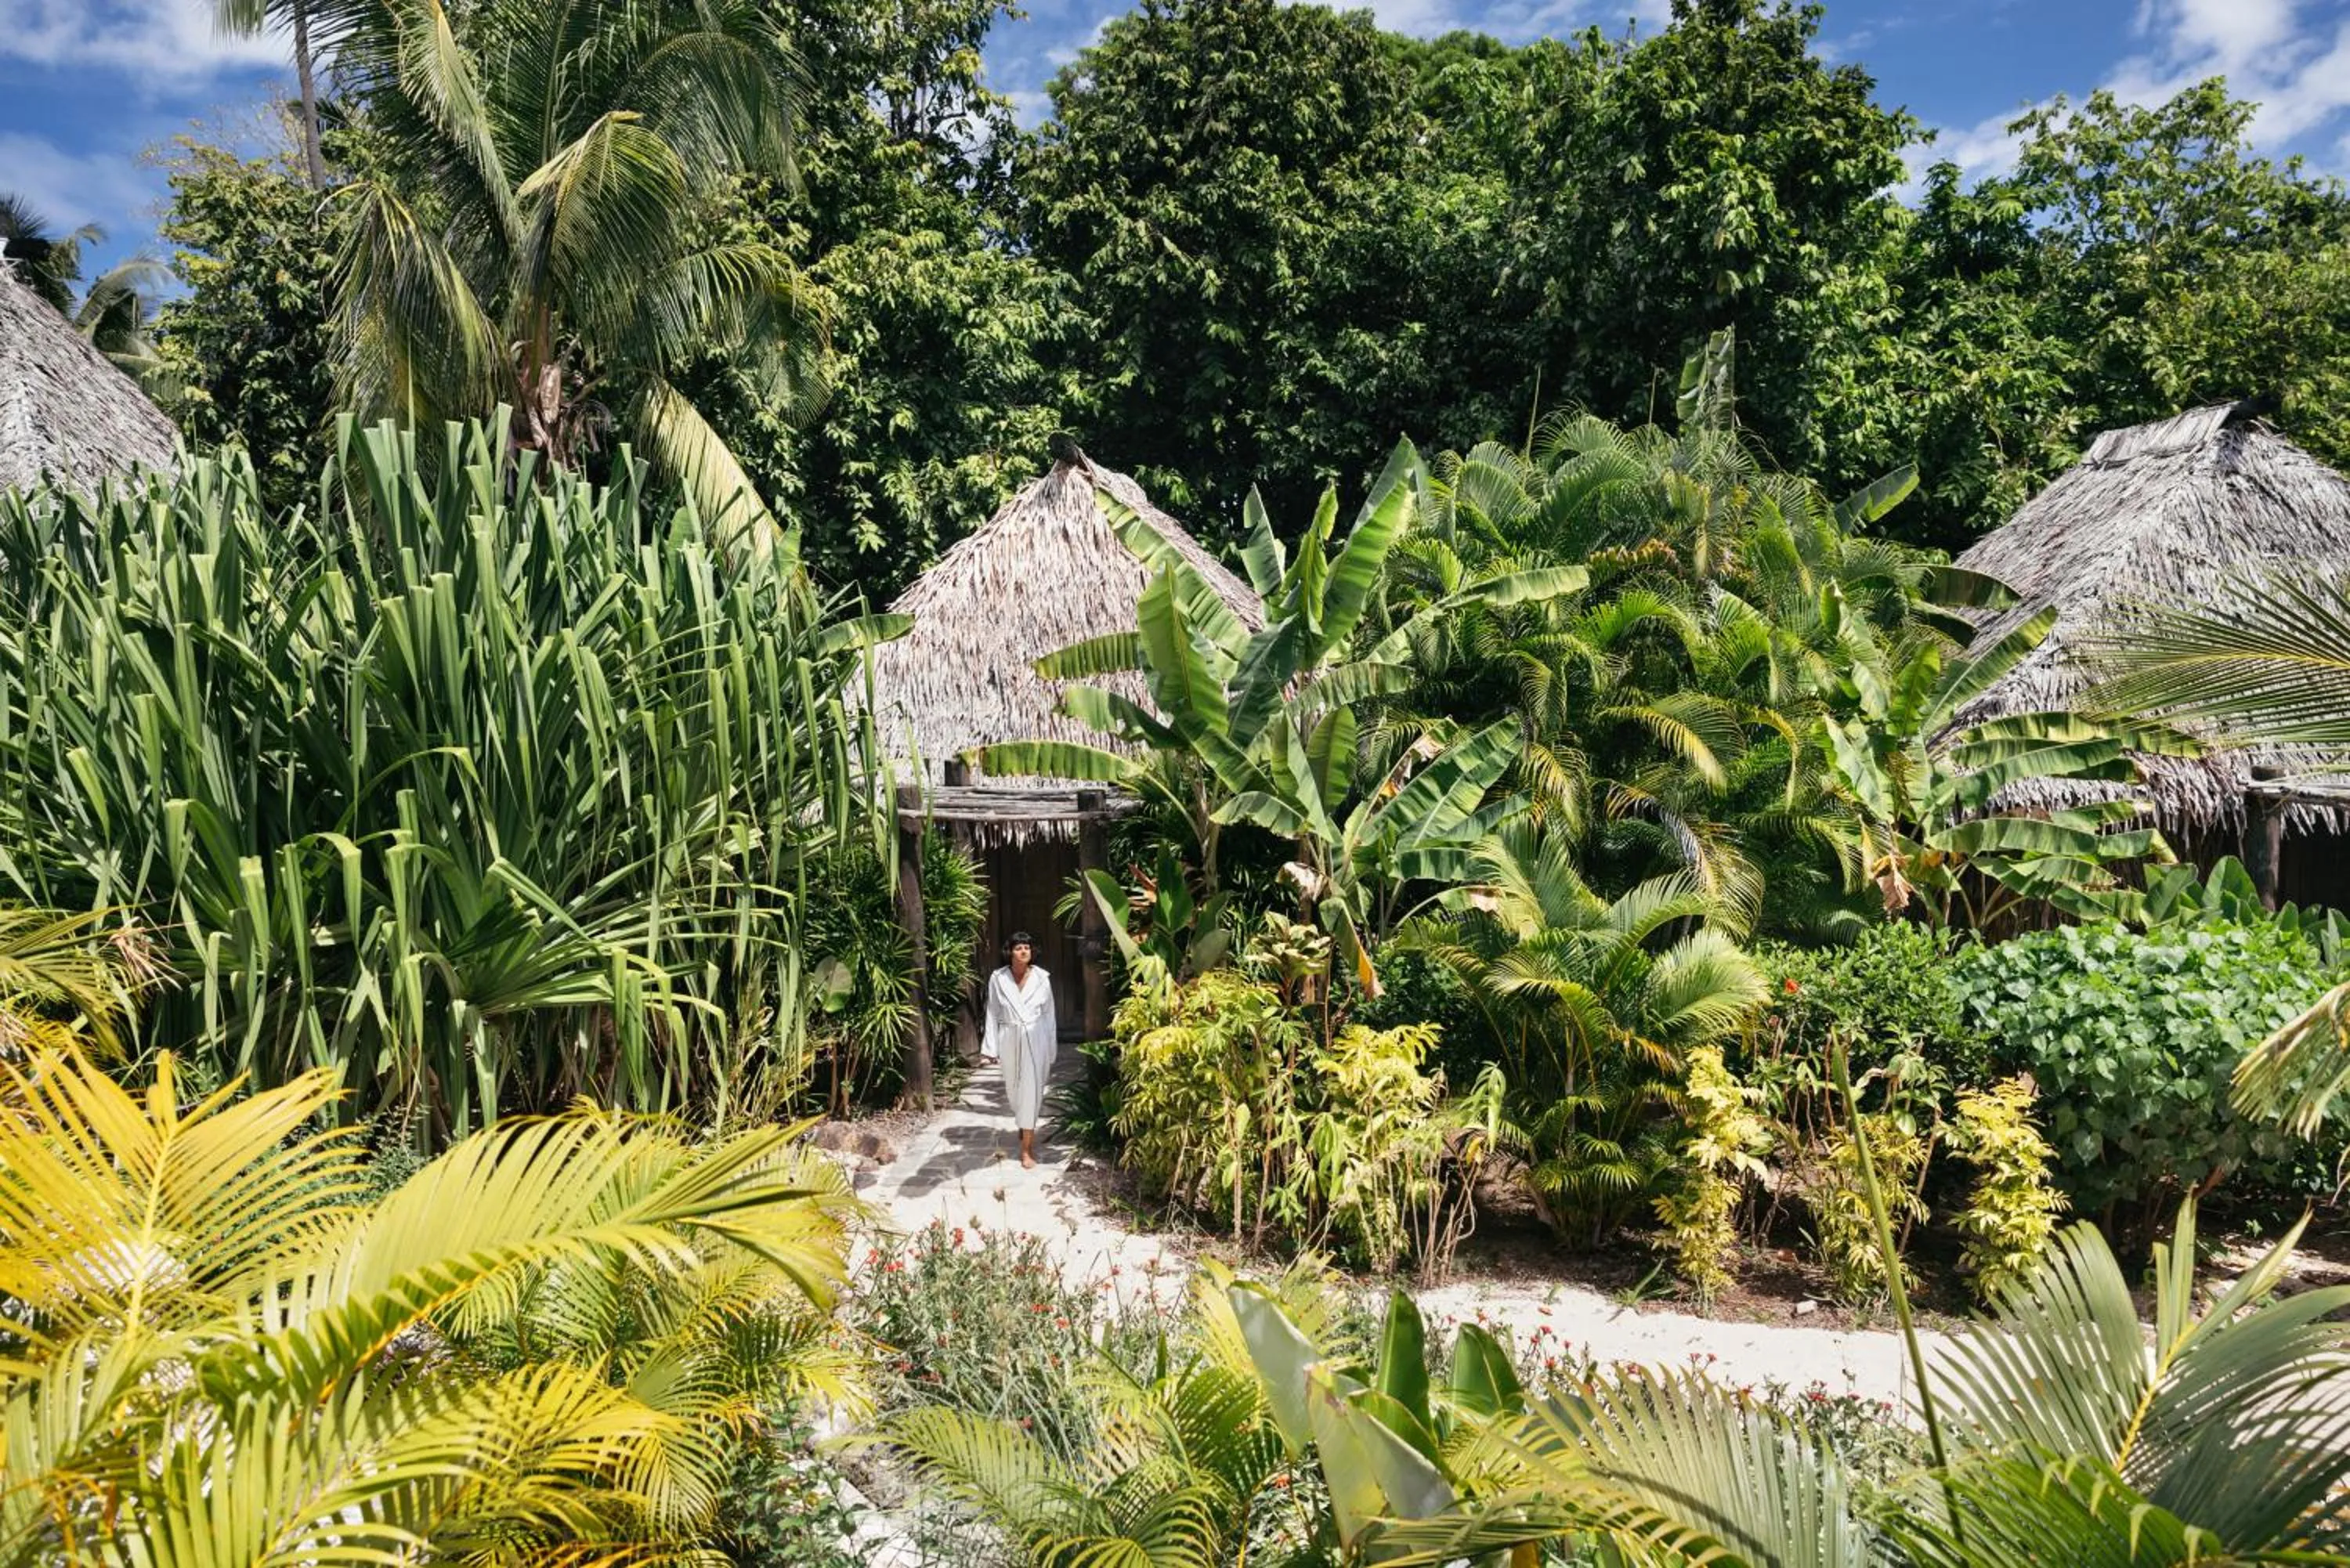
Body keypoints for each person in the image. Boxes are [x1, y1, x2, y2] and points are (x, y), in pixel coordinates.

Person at [981, 931, 1056, 1168]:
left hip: (1035, 1037)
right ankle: (1024, 1122)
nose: (1024, 951)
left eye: (1027, 947)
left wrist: (1051, 1046)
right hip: (1009, 1037)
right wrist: (990, 1048)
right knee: (1014, 1091)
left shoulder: (1042, 978)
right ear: (1010, 952)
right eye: (1018, 947)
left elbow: (1049, 1015)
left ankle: (1027, 1149)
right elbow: (993, 1012)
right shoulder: (998, 978)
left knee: (1031, 1092)